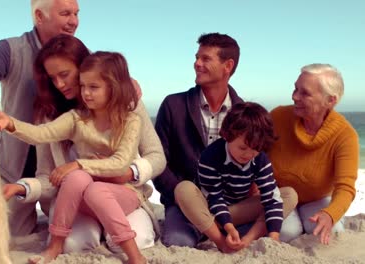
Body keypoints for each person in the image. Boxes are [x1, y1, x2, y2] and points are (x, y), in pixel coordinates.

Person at [3, 35, 164, 252]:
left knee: (137, 241)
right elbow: (48, 175)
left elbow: (156, 156)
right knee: (75, 244)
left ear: (83, 68)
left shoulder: (127, 105)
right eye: (52, 78)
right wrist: (22, 187)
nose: (59, 84)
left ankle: (116, 234)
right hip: (75, 203)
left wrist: (128, 173)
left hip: (120, 192)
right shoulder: (51, 115)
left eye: (65, 74)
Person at [0, 0, 80, 236]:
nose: (73, 21)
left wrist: (125, 81)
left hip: (57, 170)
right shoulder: (11, 49)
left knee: (72, 229)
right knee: (3, 234)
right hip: (14, 167)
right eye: (65, 13)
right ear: (39, 16)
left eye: (76, 14)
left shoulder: (77, 51)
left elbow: (102, 77)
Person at [153, 32, 244, 247]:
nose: (197, 64)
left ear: (227, 66)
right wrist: (180, 197)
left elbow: (254, 164)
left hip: (228, 205)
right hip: (183, 200)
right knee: (178, 242)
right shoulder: (173, 105)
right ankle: (209, 232)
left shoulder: (243, 112)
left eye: (206, 59)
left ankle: (213, 231)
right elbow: (157, 161)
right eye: (196, 57)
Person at [174, 102, 298, 252]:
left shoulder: (260, 159)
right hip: (210, 211)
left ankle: (246, 239)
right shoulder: (211, 156)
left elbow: (271, 199)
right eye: (243, 148)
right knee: (183, 189)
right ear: (227, 135)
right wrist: (229, 227)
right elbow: (214, 198)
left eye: (256, 149)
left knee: (288, 195)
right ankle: (220, 241)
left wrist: (274, 237)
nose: (248, 154)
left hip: (237, 210)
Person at [268, 63, 359, 245]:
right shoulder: (278, 117)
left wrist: (330, 214)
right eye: (295, 89)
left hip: (317, 200)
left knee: (326, 232)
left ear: (330, 100)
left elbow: (345, 188)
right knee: (286, 233)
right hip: (280, 195)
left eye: (305, 93)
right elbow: (252, 155)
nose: (294, 97)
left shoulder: (345, 135)